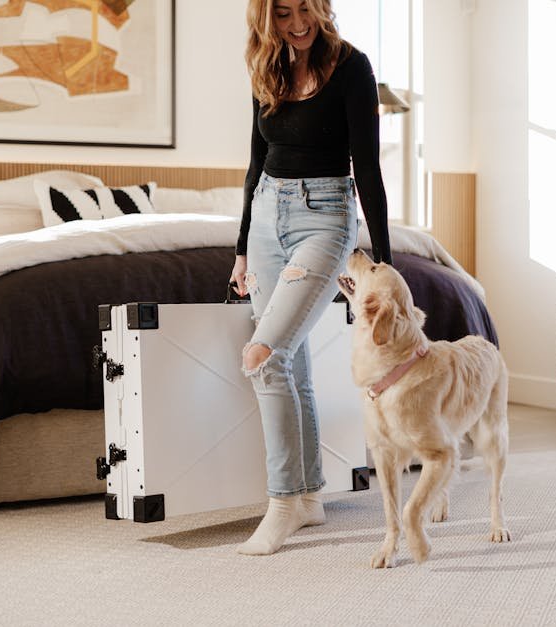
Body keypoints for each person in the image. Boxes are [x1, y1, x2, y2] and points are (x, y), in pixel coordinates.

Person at [229, 0, 393, 555]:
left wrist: (383, 263)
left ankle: (279, 505)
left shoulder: (353, 67)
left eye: (306, 10)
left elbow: (367, 167)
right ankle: (306, 498)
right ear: (266, 18)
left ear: (322, 8)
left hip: (325, 217)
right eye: (283, 14)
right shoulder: (265, 65)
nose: (297, 24)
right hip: (267, 217)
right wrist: (241, 250)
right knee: (290, 363)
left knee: (264, 354)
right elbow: (257, 160)